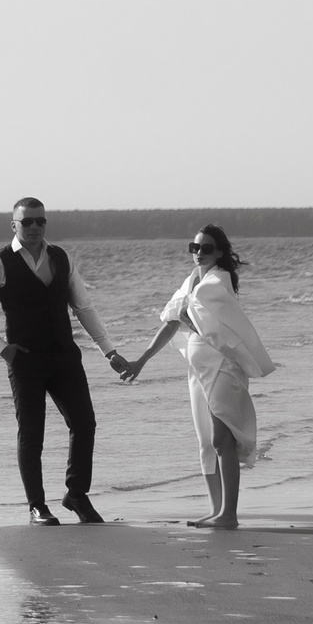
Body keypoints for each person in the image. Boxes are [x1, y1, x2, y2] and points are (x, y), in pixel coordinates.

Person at [0, 197, 129, 525]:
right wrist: (1, 347)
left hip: (64, 356)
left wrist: (109, 350)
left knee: (84, 424)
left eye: (40, 221)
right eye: (26, 222)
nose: (34, 227)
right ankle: (37, 506)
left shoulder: (61, 257)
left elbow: (83, 307)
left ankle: (76, 495)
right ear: (13, 225)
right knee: (32, 433)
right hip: (25, 361)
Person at [120, 224, 277, 529]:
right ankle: (215, 510)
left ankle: (229, 514)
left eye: (206, 249)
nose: (199, 254)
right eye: (194, 248)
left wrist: (188, 316)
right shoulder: (193, 281)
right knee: (206, 441)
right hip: (198, 369)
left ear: (219, 252)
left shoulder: (218, 281)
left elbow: (215, 323)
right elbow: (170, 322)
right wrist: (141, 361)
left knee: (222, 439)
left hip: (223, 367)